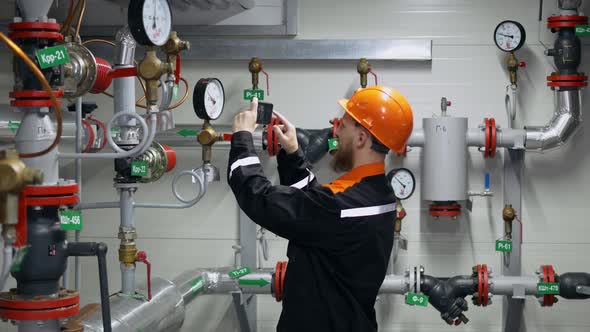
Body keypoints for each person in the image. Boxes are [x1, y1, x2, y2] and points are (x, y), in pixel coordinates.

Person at [228, 86, 413, 332]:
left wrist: (242, 138)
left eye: (344, 126)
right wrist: (292, 153)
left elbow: (258, 196)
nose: (336, 131)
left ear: (361, 138)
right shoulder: (379, 194)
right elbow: (318, 212)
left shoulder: (340, 205)